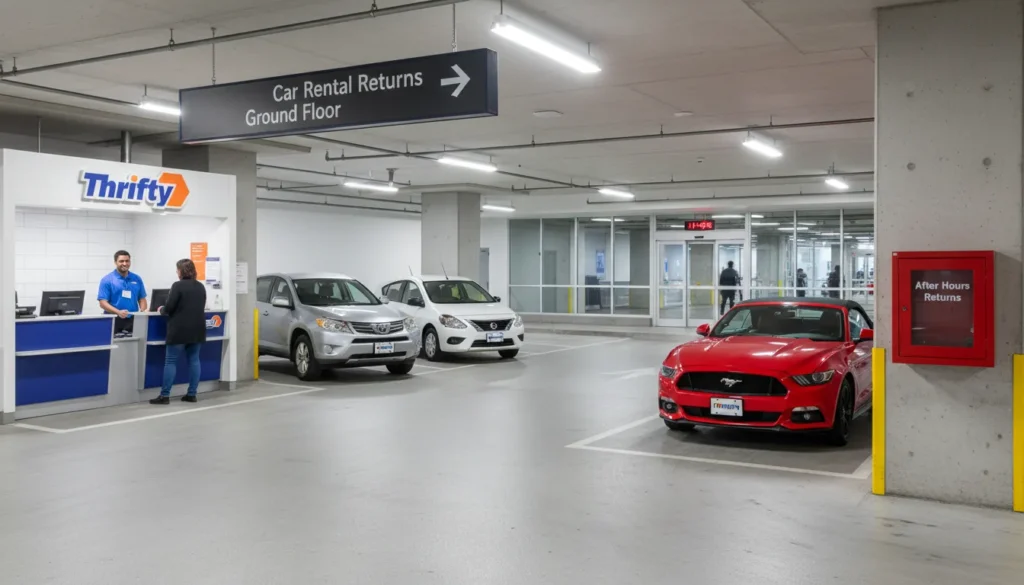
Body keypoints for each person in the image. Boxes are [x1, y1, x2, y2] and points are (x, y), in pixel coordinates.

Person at [151, 259, 207, 405]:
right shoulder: (200, 286)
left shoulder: (177, 286)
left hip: (179, 330)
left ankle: (165, 396)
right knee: (194, 361)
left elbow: (169, 308)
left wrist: (160, 309)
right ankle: (192, 394)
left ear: (181, 271)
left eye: (177, 270)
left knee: (170, 361)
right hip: (197, 330)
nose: (176, 272)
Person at [98, 250, 147, 335]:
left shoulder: (137, 278)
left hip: (133, 319)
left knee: (133, 345)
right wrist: (118, 312)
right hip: (113, 319)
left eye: (127, 261)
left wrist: (142, 313)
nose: (125, 263)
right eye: (121, 261)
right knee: (114, 346)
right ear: (115, 262)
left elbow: (142, 298)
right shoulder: (107, 280)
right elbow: (102, 303)